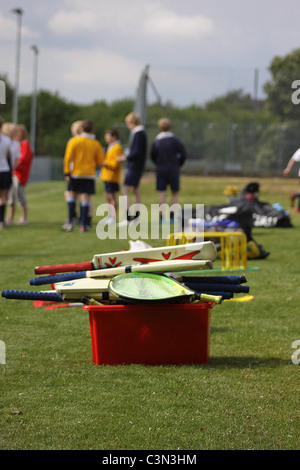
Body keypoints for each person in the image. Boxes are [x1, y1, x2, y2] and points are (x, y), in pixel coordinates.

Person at [63, 119, 105, 232]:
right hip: (89, 174)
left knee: (72, 196)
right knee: (85, 198)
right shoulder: (96, 143)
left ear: (81, 129)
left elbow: (68, 158)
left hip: (75, 173)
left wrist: (67, 172)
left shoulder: (74, 141)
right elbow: (100, 161)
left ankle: (70, 222)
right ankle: (83, 224)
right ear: (92, 130)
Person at [150, 117, 187, 222]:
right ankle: (171, 217)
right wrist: (178, 164)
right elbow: (184, 154)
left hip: (161, 170)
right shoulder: (175, 141)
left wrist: (158, 164)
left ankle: (161, 217)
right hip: (173, 170)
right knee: (174, 193)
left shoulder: (157, 141)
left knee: (162, 193)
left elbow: (152, 155)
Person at [119, 112, 147, 223]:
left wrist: (125, 157)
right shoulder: (140, 133)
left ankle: (128, 217)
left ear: (132, 122)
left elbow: (136, 151)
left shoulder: (138, 133)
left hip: (134, 166)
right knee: (135, 190)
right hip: (137, 165)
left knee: (125, 189)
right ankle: (136, 217)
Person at [7, 124, 33, 225]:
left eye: (19, 132)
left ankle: (24, 218)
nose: (17, 134)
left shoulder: (24, 144)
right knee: (11, 196)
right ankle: (10, 217)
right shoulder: (15, 144)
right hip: (15, 173)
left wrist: (12, 167)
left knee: (20, 195)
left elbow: (22, 159)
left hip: (20, 174)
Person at [100, 128, 123, 224]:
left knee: (112, 196)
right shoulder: (111, 146)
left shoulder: (117, 147)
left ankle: (113, 217)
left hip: (112, 176)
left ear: (114, 137)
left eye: (108, 136)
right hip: (106, 175)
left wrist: (105, 163)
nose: (106, 138)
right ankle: (109, 215)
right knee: (107, 196)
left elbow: (115, 163)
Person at [0, 117, 12, 229]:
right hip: (4, 169)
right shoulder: (7, 140)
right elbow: (8, 155)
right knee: (3, 197)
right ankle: (1, 221)